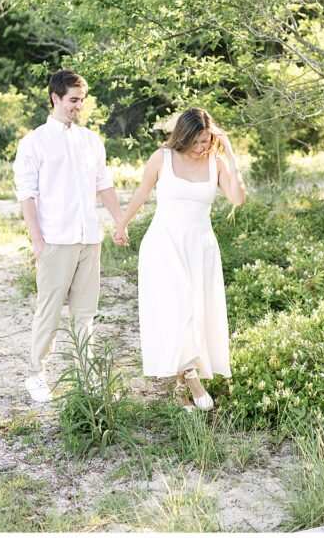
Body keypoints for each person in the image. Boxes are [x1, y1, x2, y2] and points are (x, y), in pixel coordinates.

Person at [114, 107, 246, 410]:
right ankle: (194, 380)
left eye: (206, 141)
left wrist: (231, 154)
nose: (201, 148)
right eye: (196, 142)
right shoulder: (162, 158)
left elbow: (237, 199)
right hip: (163, 245)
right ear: (183, 136)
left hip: (200, 247)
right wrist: (122, 224)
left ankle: (181, 388)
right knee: (178, 310)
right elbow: (142, 193)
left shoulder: (217, 163)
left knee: (195, 313)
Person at [13, 69, 127, 403]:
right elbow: (27, 194)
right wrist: (38, 241)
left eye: (82, 100)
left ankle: (87, 375)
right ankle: (36, 374)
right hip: (55, 241)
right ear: (56, 98)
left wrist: (119, 221)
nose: (79, 106)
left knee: (85, 314)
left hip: (88, 239)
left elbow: (103, 184)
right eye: (73, 100)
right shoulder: (34, 142)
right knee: (48, 312)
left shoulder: (91, 141)